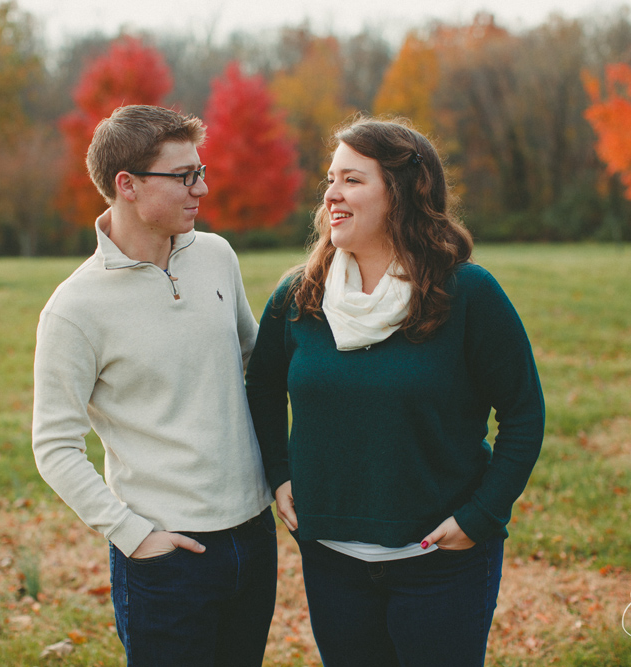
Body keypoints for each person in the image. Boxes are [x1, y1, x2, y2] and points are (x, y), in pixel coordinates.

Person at [245, 117, 545, 667]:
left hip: (440, 561)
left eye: (353, 180)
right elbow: (261, 388)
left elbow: (523, 412)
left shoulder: (466, 293)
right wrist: (278, 471)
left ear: (403, 192)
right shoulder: (300, 296)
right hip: (330, 557)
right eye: (330, 179)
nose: (331, 194)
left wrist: (480, 516)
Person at [31, 104, 276, 667]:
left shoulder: (216, 256)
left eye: (202, 171)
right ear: (128, 185)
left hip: (252, 536)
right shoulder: (74, 309)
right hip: (166, 556)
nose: (203, 188)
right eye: (185, 176)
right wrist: (134, 536)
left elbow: (257, 366)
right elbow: (55, 447)